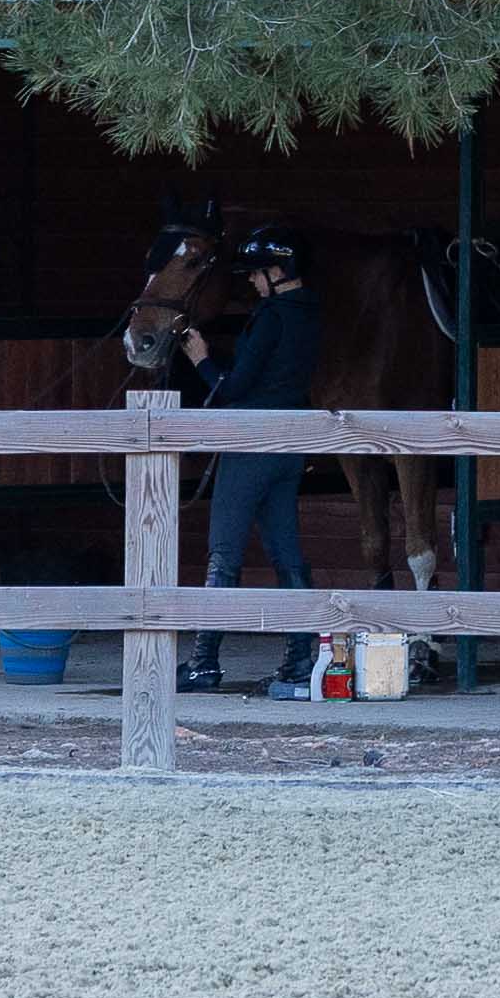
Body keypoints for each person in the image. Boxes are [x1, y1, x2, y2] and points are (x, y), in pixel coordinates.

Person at [177, 228, 323, 699]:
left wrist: (201, 360)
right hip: (290, 445)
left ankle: (203, 662)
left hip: (251, 445)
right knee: (287, 554)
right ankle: (302, 659)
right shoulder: (310, 315)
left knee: (224, 552)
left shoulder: (272, 317)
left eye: (258, 275)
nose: (253, 284)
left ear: (277, 272)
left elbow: (234, 386)